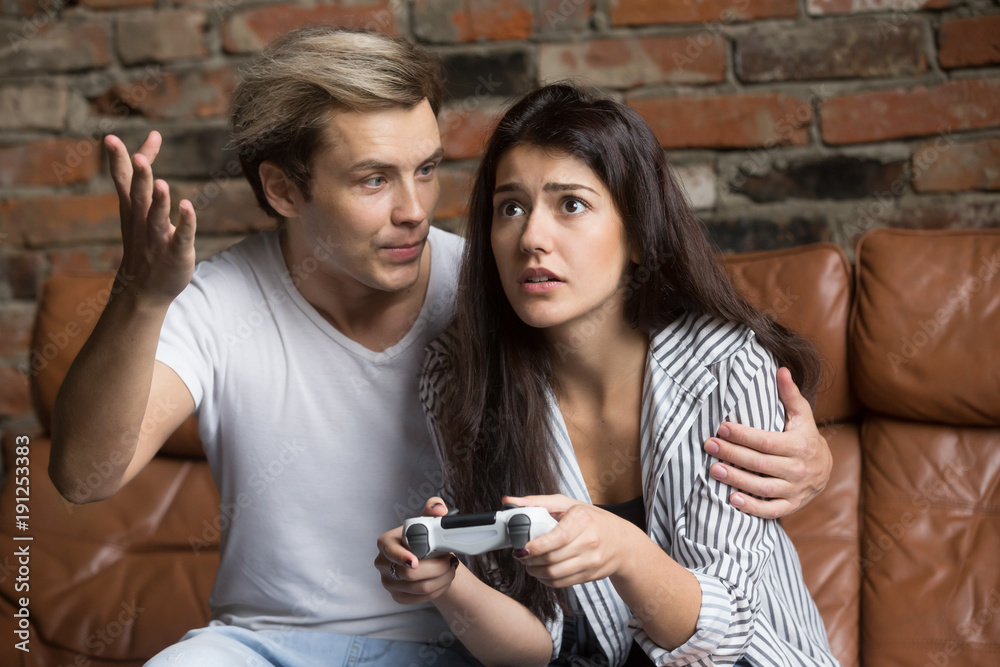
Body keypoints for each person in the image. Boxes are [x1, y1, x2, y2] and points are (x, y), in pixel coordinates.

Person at [47, 25, 829, 667]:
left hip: (458, 648)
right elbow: (82, 475)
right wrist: (141, 294)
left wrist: (808, 450)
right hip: (269, 642)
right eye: (372, 180)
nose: (416, 212)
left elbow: (684, 345)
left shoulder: (502, 293)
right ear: (285, 189)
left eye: (426, 170)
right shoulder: (232, 303)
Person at [375, 84, 840, 667]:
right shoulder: (461, 379)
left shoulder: (725, 370)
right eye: (510, 207)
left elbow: (727, 637)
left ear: (640, 236)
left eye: (570, 204)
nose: (532, 238)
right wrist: (447, 585)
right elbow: (537, 647)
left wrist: (626, 552)